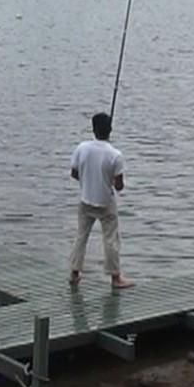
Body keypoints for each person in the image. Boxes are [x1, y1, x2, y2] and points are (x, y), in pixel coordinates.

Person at [69, 112, 133, 289]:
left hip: (85, 200)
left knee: (81, 236)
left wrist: (88, 180)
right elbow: (119, 186)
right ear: (110, 130)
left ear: (93, 129)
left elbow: (74, 173)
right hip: (106, 202)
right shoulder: (115, 155)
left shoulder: (82, 148)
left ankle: (74, 273)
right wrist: (110, 180)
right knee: (111, 239)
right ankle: (115, 278)